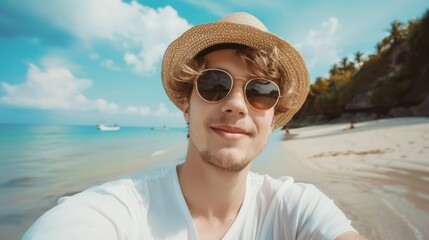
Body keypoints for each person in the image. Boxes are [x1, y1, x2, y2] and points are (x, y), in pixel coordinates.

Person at [23, 12, 366, 240]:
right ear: (186, 104)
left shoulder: (297, 208)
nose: (235, 104)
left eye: (261, 92)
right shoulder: (119, 212)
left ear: (273, 118)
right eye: (215, 84)